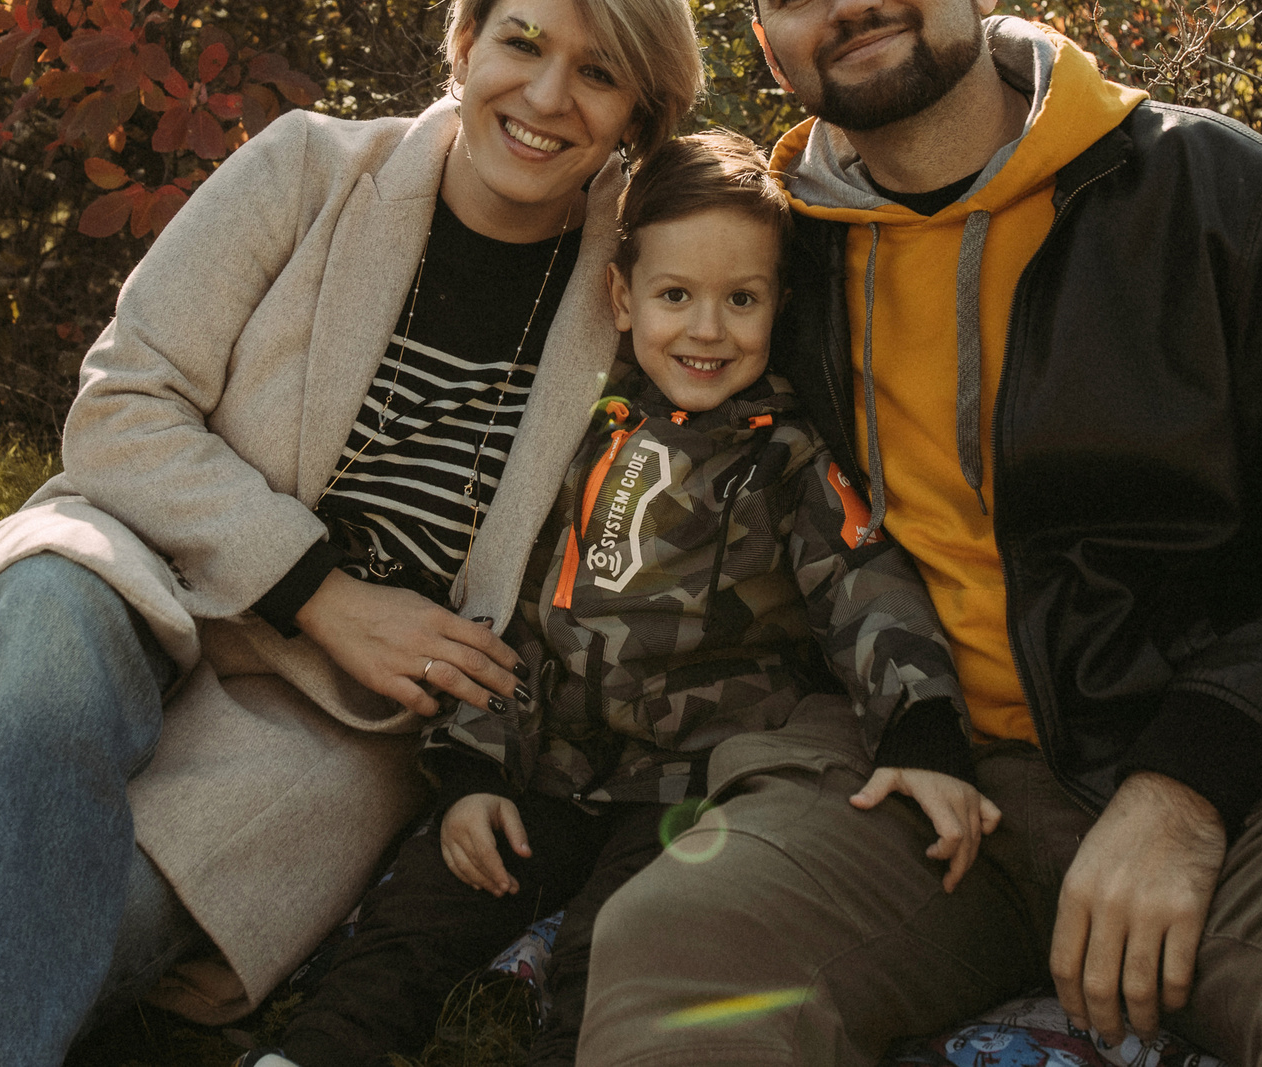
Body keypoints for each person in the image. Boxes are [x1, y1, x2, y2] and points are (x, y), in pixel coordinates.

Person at [574, 0, 1262, 1067]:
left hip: (1216, 760)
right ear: (773, 53)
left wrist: (1187, 789)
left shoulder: (1214, 193)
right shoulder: (778, 258)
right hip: (904, 770)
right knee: (676, 947)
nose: (851, 1)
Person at [0, 0, 703, 1066]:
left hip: (337, 720)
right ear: (465, 42)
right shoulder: (308, 167)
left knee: (40, 925)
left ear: (641, 114)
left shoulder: (648, 291)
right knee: (36, 632)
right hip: (137, 569)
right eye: (521, 43)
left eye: (598, 74)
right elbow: (122, 406)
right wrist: (320, 592)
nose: (545, 96)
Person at [250, 130, 996, 1067]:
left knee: (615, 949)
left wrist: (923, 731)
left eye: (742, 299)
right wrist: (477, 775)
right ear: (621, 297)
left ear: (779, 303)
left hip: (692, 782)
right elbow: (514, 611)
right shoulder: (576, 433)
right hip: (552, 765)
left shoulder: (786, 455)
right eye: (675, 295)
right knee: (422, 905)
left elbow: (865, 586)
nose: (707, 329)